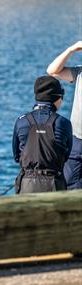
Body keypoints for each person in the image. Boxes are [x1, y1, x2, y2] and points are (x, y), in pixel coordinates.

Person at [12, 76, 73, 194]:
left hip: (26, 184)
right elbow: (66, 155)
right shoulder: (63, 123)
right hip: (55, 184)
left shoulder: (21, 121)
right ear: (57, 97)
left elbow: (16, 156)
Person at [47, 41, 82, 190]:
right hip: (77, 139)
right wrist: (71, 49)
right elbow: (53, 71)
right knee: (69, 184)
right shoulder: (80, 72)